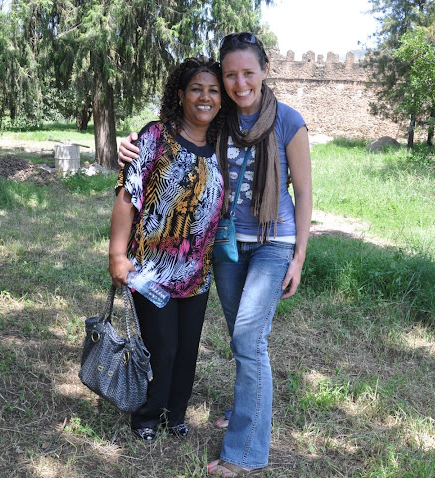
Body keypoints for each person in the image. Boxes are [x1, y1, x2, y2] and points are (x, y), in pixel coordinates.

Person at [118, 33, 312, 476]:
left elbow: (303, 192)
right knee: (241, 338)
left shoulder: (288, 121)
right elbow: (176, 136)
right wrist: (132, 145)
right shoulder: (222, 120)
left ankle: (245, 454)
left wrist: (299, 256)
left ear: (265, 71)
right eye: (231, 75)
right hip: (224, 244)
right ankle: (245, 405)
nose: (240, 83)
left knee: (248, 340)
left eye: (248, 73)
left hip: (273, 242)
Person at [109, 56, 226, 443]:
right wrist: (117, 255)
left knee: (187, 349)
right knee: (163, 347)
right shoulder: (155, 137)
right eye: (196, 89)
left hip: (197, 273)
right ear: (180, 95)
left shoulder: (222, 148)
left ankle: (175, 413)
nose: (205, 97)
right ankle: (146, 416)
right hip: (151, 270)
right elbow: (128, 195)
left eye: (213, 90)